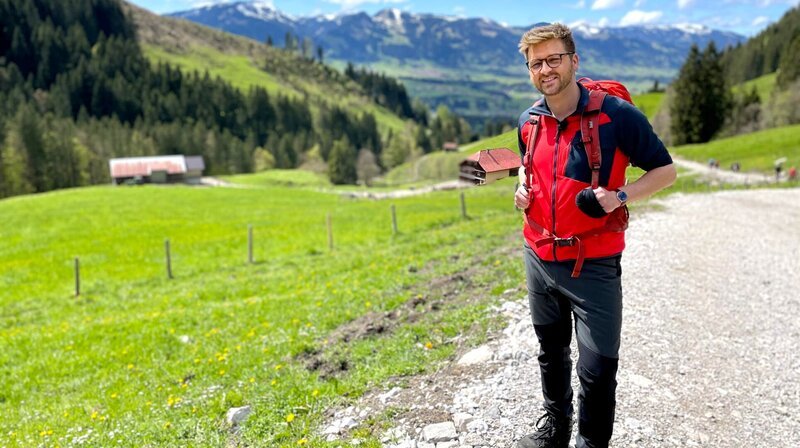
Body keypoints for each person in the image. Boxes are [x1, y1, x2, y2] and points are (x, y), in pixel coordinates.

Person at [513, 23, 677, 448]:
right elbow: (528, 168)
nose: (546, 69)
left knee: (598, 368)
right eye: (536, 63)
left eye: (554, 59)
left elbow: (666, 171)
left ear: (573, 61)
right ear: (529, 69)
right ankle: (556, 428)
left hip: (595, 264)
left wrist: (621, 195)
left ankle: (590, 442)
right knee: (550, 353)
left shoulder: (616, 116)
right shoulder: (529, 121)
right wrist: (521, 188)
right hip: (538, 257)